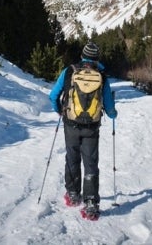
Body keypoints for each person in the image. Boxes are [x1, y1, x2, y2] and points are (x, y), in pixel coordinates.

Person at [49, 41, 117, 219]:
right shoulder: (101, 75)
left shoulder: (69, 71)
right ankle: (91, 203)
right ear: (97, 58)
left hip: (70, 123)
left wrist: (60, 110)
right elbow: (109, 105)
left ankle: (72, 194)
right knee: (91, 162)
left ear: (82, 55)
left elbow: (53, 95)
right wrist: (113, 114)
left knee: (72, 158)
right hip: (92, 127)